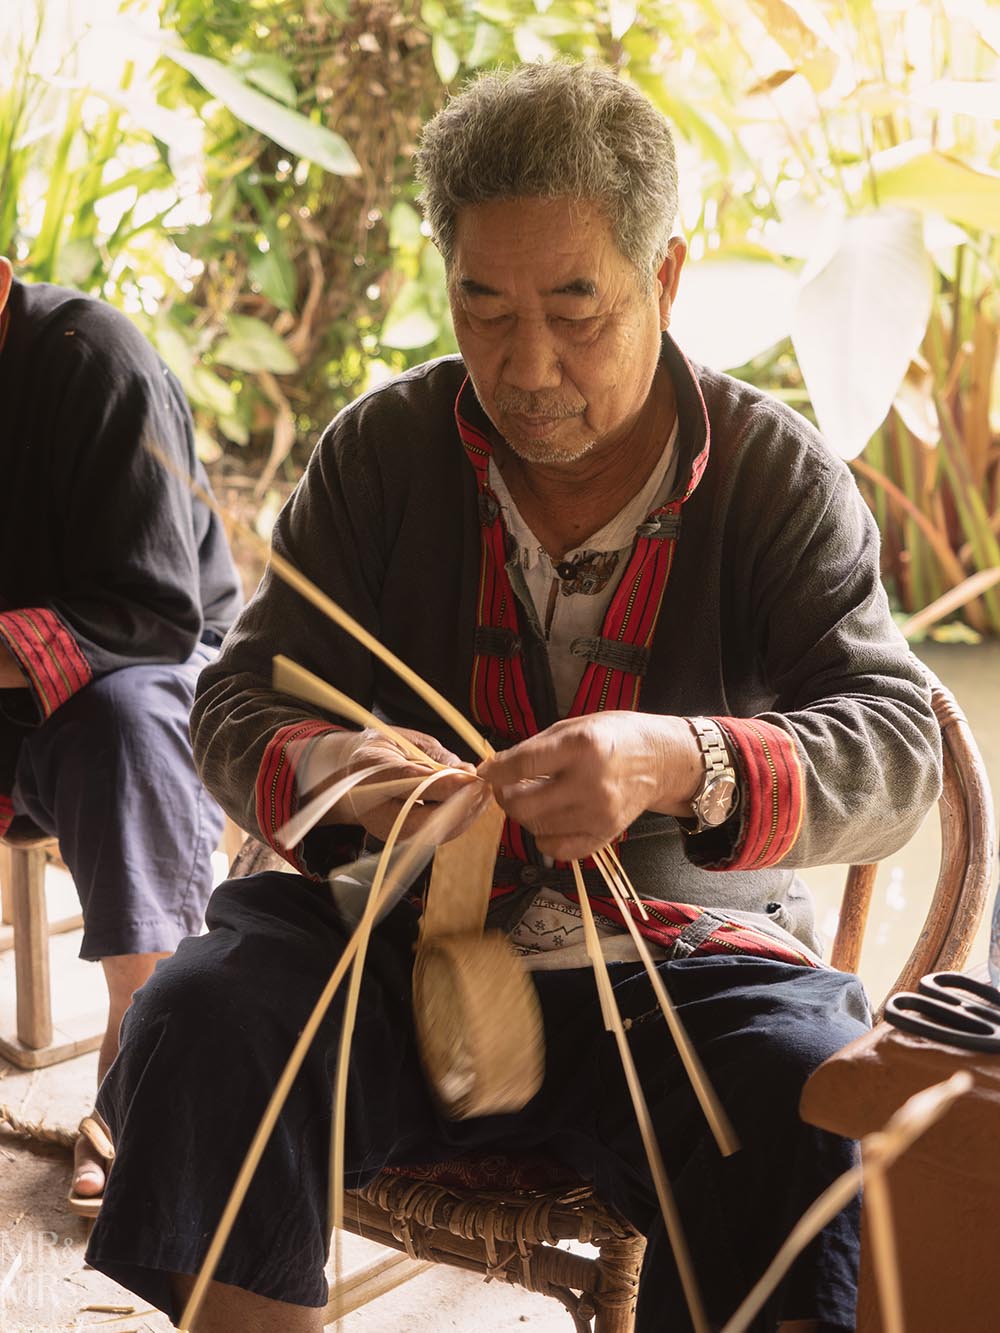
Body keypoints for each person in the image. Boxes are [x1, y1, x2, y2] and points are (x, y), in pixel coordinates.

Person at [86, 63, 941, 1331]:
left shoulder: (773, 477)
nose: (525, 362)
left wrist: (681, 761)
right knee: (202, 1017)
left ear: (664, 277)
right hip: (398, 941)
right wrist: (345, 773)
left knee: (814, 1103)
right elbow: (235, 703)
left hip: (679, 964)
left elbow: (895, 743)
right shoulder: (382, 454)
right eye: (482, 305)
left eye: (574, 308)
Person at [0, 257, 242, 1212]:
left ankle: (142, 1047)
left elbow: (156, 613)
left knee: (129, 722)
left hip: (147, 669)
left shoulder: (93, 358)